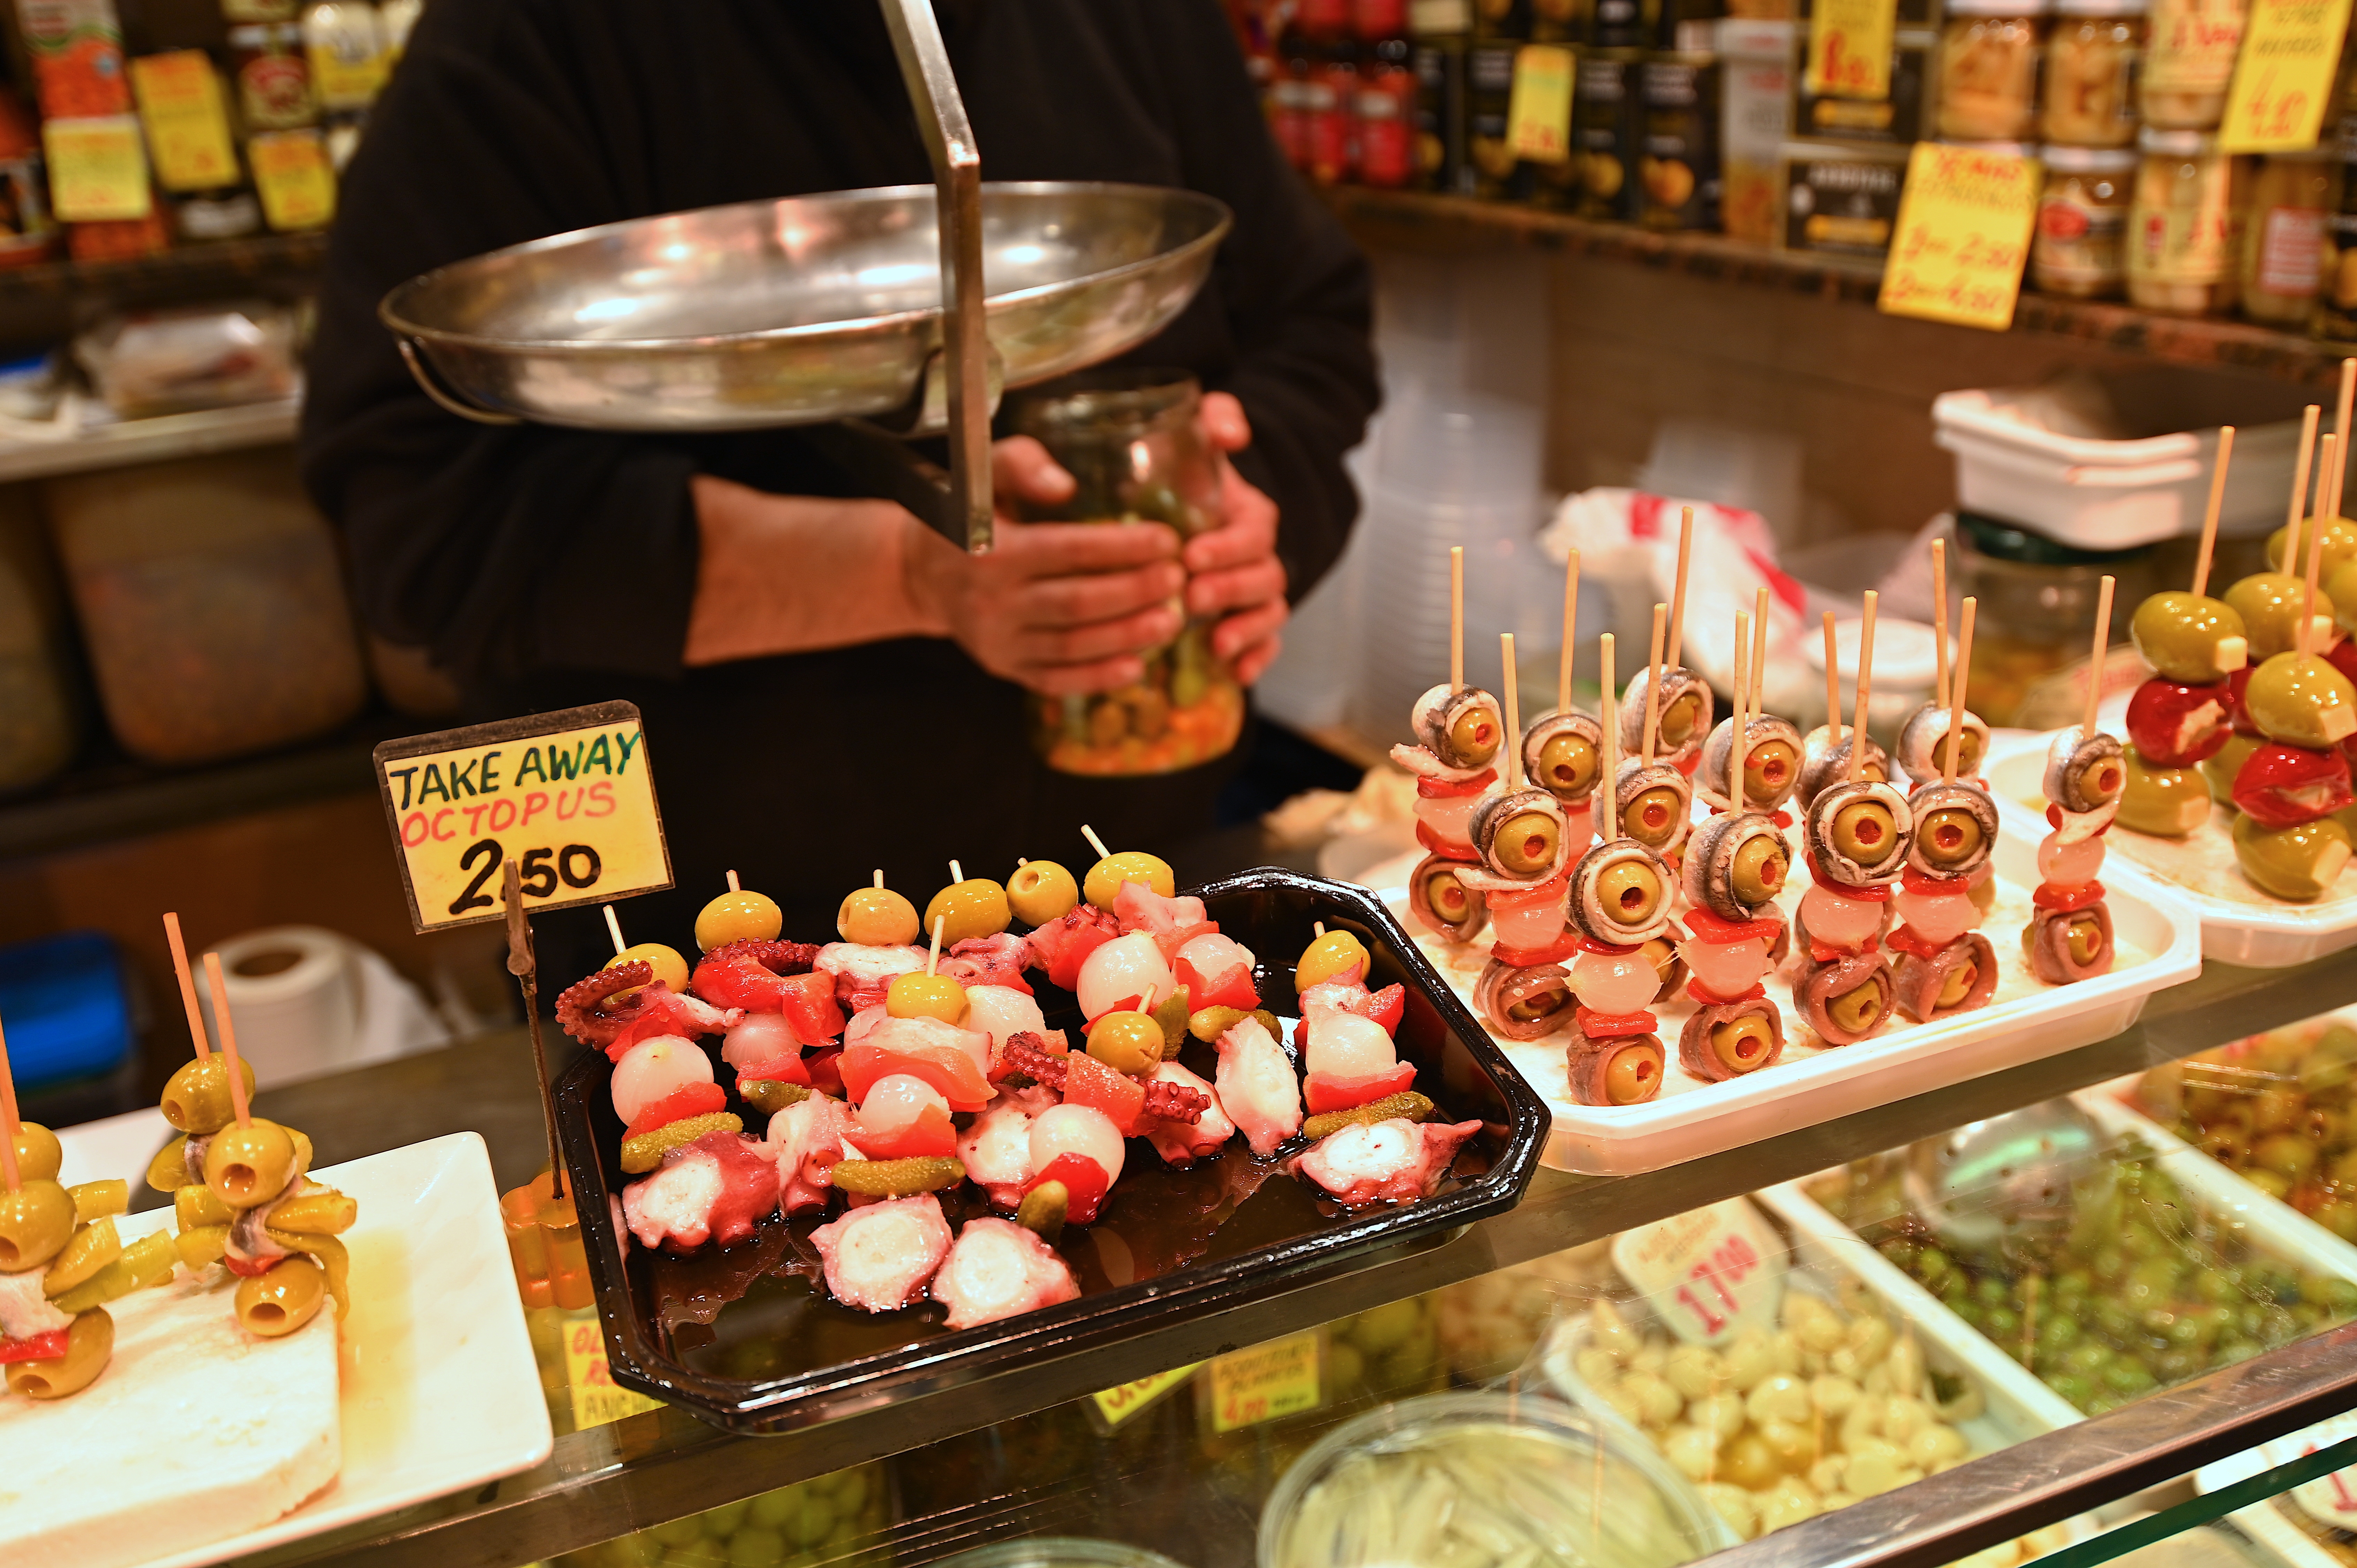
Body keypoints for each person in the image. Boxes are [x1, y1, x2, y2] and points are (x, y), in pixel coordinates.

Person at [300, 0, 1377, 965]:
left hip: (1130, 888)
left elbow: (1310, 326)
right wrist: (910, 573)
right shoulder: (525, 39)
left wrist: (1246, 509)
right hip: (713, 930)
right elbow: (420, 522)